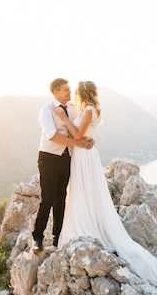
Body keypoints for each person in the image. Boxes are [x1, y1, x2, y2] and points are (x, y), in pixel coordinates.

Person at [54, 80, 157, 292]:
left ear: (82, 93)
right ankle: (87, 219)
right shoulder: (87, 108)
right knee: (82, 191)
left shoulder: (88, 109)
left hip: (83, 155)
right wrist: (67, 113)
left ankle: (89, 224)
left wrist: (62, 118)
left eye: (76, 92)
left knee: (83, 190)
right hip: (81, 153)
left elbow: (78, 135)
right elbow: (79, 130)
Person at [32, 78, 95, 252]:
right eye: (66, 90)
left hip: (67, 157)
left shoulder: (73, 108)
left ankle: (57, 237)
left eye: (69, 89)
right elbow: (52, 135)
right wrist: (79, 144)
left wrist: (87, 138)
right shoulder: (46, 110)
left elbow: (77, 131)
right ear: (56, 92)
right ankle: (37, 237)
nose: (70, 92)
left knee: (61, 199)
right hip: (49, 157)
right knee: (48, 198)